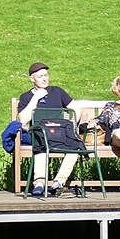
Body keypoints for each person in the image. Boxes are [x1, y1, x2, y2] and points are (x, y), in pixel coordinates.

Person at [18, 62, 79, 196]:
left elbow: (75, 108)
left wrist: (73, 125)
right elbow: (23, 120)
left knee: (75, 147)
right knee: (40, 144)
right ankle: (39, 182)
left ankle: (59, 181)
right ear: (32, 79)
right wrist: (36, 97)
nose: (45, 78)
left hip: (59, 133)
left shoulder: (57, 91)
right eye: (40, 76)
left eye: (46, 75)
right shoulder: (26, 97)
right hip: (40, 134)